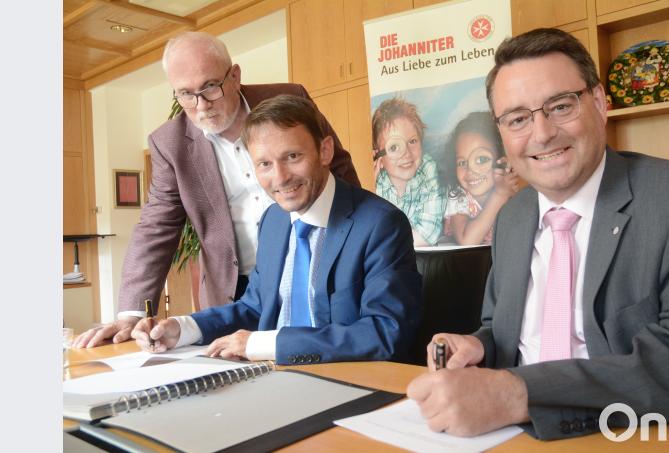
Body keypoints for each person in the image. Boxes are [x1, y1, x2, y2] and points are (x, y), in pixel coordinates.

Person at [407, 28, 669, 440]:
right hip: (508, 435)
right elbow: (503, 327)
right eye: (517, 119)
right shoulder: (512, 218)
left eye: (561, 106)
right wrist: (479, 346)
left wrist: (518, 394)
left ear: (599, 103)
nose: (542, 134)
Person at [73, 32, 360, 349]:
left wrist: (359, 245)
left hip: (313, 267)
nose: (201, 106)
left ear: (234, 76)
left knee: (320, 356)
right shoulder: (170, 143)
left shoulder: (288, 100)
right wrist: (130, 313)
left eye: (210, 87)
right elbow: (157, 225)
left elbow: (338, 169)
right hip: (235, 289)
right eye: (185, 94)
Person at [130, 95, 422, 364]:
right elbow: (255, 307)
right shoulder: (273, 221)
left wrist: (264, 344)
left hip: (346, 382)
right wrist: (183, 329)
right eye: (265, 164)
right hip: (273, 377)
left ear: (325, 150)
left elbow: (385, 332)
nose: (280, 178)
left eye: (293, 157)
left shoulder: (380, 224)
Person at [372, 97, 446, 246]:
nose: (407, 153)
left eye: (412, 141)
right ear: (377, 155)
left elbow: (428, 235)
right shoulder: (375, 181)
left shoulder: (427, 167)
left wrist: (388, 239)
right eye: (394, 147)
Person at [441, 111, 519, 245]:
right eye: (462, 163)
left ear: (502, 159)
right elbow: (467, 241)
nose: (470, 170)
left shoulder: (512, 186)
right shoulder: (458, 196)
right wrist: (500, 195)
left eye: (481, 159)